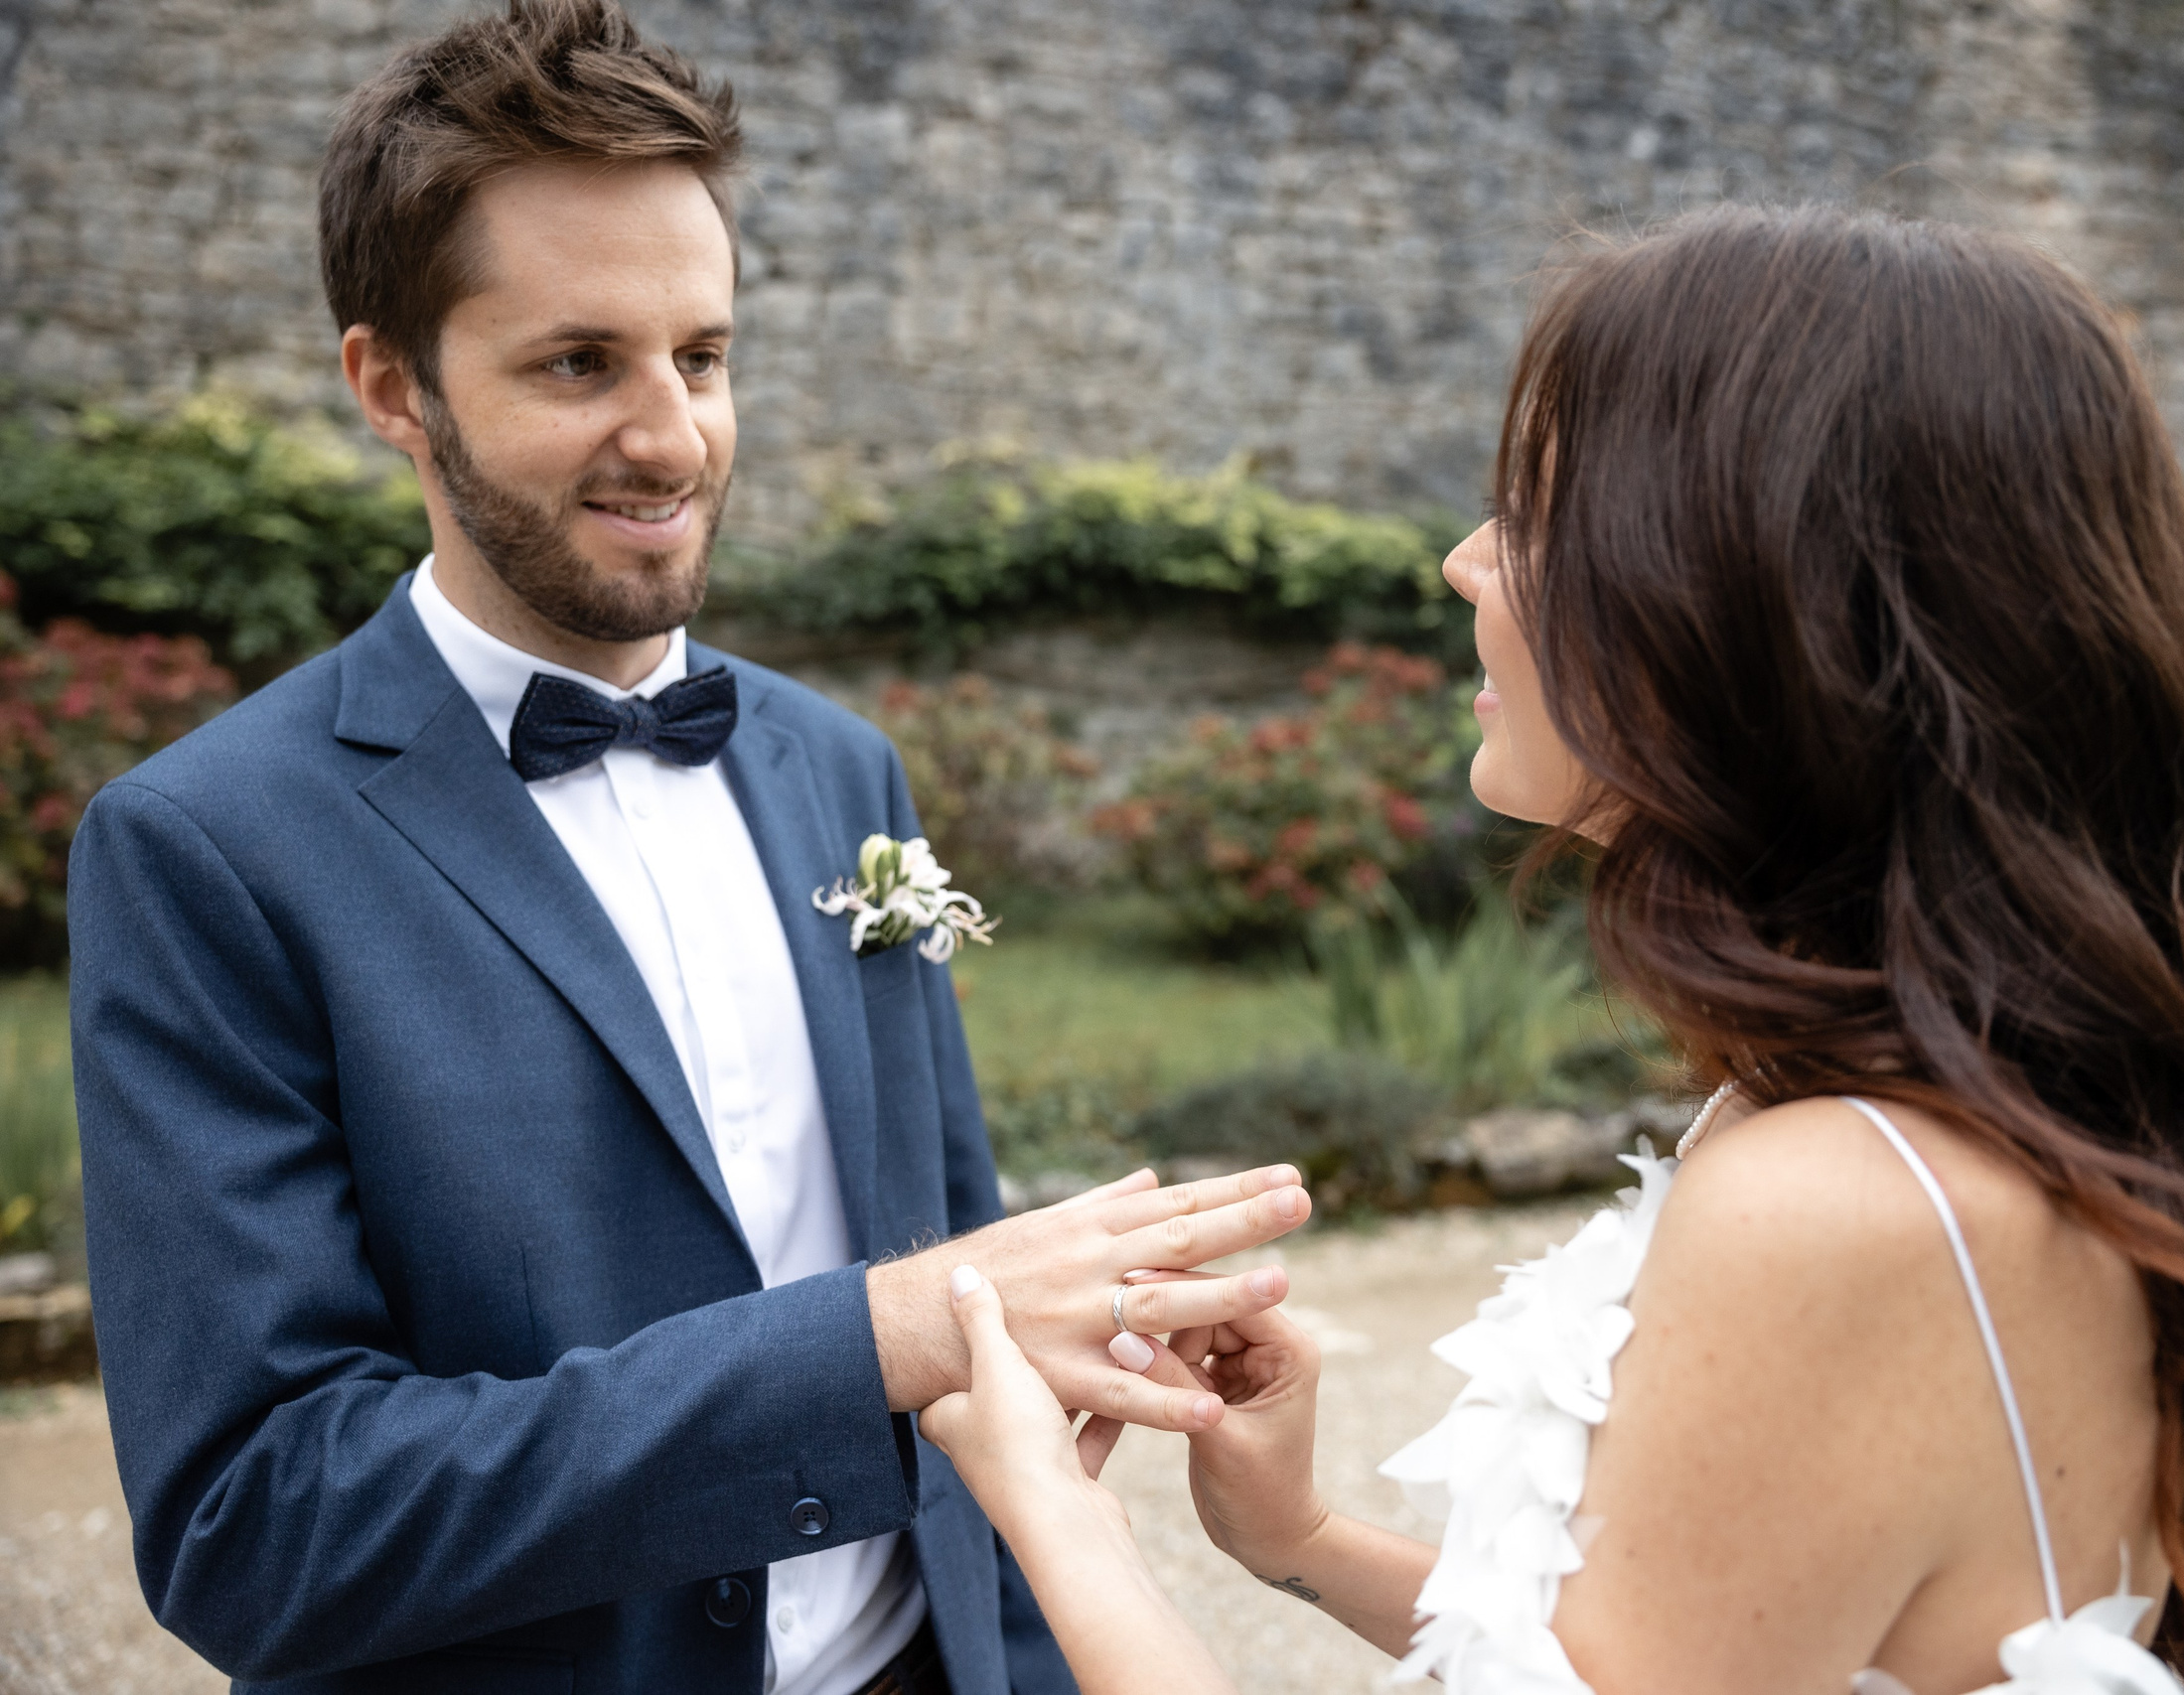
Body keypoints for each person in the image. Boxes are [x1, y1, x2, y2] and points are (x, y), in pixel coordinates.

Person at [915, 206, 2184, 1695]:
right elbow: (1678, 1641)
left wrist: (1049, 1510)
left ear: (1757, 605)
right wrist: (1296, 1537)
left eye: (1540, 511)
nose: (1464, 562)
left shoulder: (1834, 1204)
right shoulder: (1934, 1115)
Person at [64, 4, 1310, 1692]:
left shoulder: (842, 769)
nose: (674, 437)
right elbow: (258, 1526)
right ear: (391, 389)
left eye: (702, 356)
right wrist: (871, 1341)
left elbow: (973, 1327)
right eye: (580, 364)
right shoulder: (207, 848)